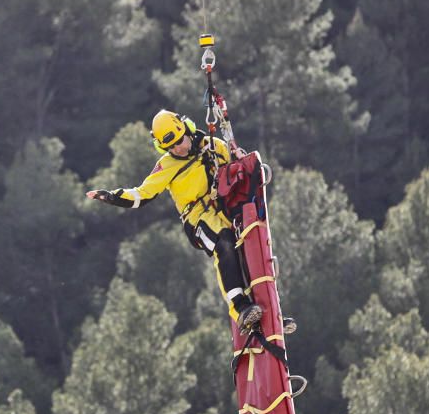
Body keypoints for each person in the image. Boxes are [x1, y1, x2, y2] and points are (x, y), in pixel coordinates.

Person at [87, 109, 292, 335]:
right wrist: (112, 196)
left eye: (179, 142)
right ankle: (240, 307)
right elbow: (141, 196)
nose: (178, 149)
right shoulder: (167, 166)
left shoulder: (213, 146)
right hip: (197, 219)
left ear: (186, 130)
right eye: (171, 147)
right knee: (224, 242)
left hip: (223, 208)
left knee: (251, 247)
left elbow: (235, 169)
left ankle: (271, 312)